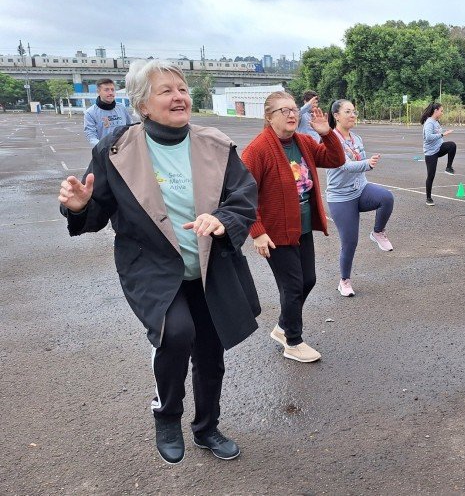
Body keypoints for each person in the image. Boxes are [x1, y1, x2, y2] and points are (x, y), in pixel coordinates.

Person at [59, 60, 260, 464]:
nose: (179, 96)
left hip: (208, 263)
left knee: (210, 350)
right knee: (176, 332)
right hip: (149, 265)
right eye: (166, 90)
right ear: (142, 105)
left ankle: (207, 428)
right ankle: (167, 414)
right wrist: (79, 207)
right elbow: (95, 213)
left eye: (182, 89)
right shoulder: (115, 150)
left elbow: (243, 196)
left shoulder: (216, 145)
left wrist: (221, 219)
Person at [242, 91, 345, 363]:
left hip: (302, 227)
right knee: (293, 286)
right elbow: (240, 193)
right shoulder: (258, 149)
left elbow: (335, 160)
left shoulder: (302, 141)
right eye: (283, 111)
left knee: (307, 280)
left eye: (292, 110)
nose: (291, 114)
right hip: (275, 232)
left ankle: (282, 326)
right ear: (268, 117)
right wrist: (257, 231)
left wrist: (327, 134)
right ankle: (294, 342)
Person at [326, 99, 395, 297]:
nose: (353, 115)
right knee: (350, 242)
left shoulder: (356, 137)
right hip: (340, 197)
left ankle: (378, 232)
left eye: (354, 112)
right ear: (336, 116)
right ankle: (344, 281)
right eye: (348, 112)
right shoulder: (332, 139)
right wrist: (367, 163)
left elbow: (357, 164)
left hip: (360, 189)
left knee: (386, 198)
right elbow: (343, 165)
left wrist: (365, 165)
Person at [421, 102, 457, 206]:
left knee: (452, 145)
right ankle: (428, 198)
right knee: (431, 175)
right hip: (430, 152)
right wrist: (442, 134)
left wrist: (441, 135)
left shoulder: (436, 121)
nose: (442, 113)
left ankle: (448, 167)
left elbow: (436, 136)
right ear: (435, 111)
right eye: (441, 111)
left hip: (439, 148)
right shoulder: (429, 122)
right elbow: (428, 137)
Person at [83, 78, 133, 147]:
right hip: (104, 150)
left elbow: (130, 127)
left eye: (112, 90)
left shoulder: (121, 108)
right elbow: (91, 136)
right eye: (106, 90)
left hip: (123, 148)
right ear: (98, 92)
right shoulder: (90, 113)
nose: (110, 93)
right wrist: (105, 147)